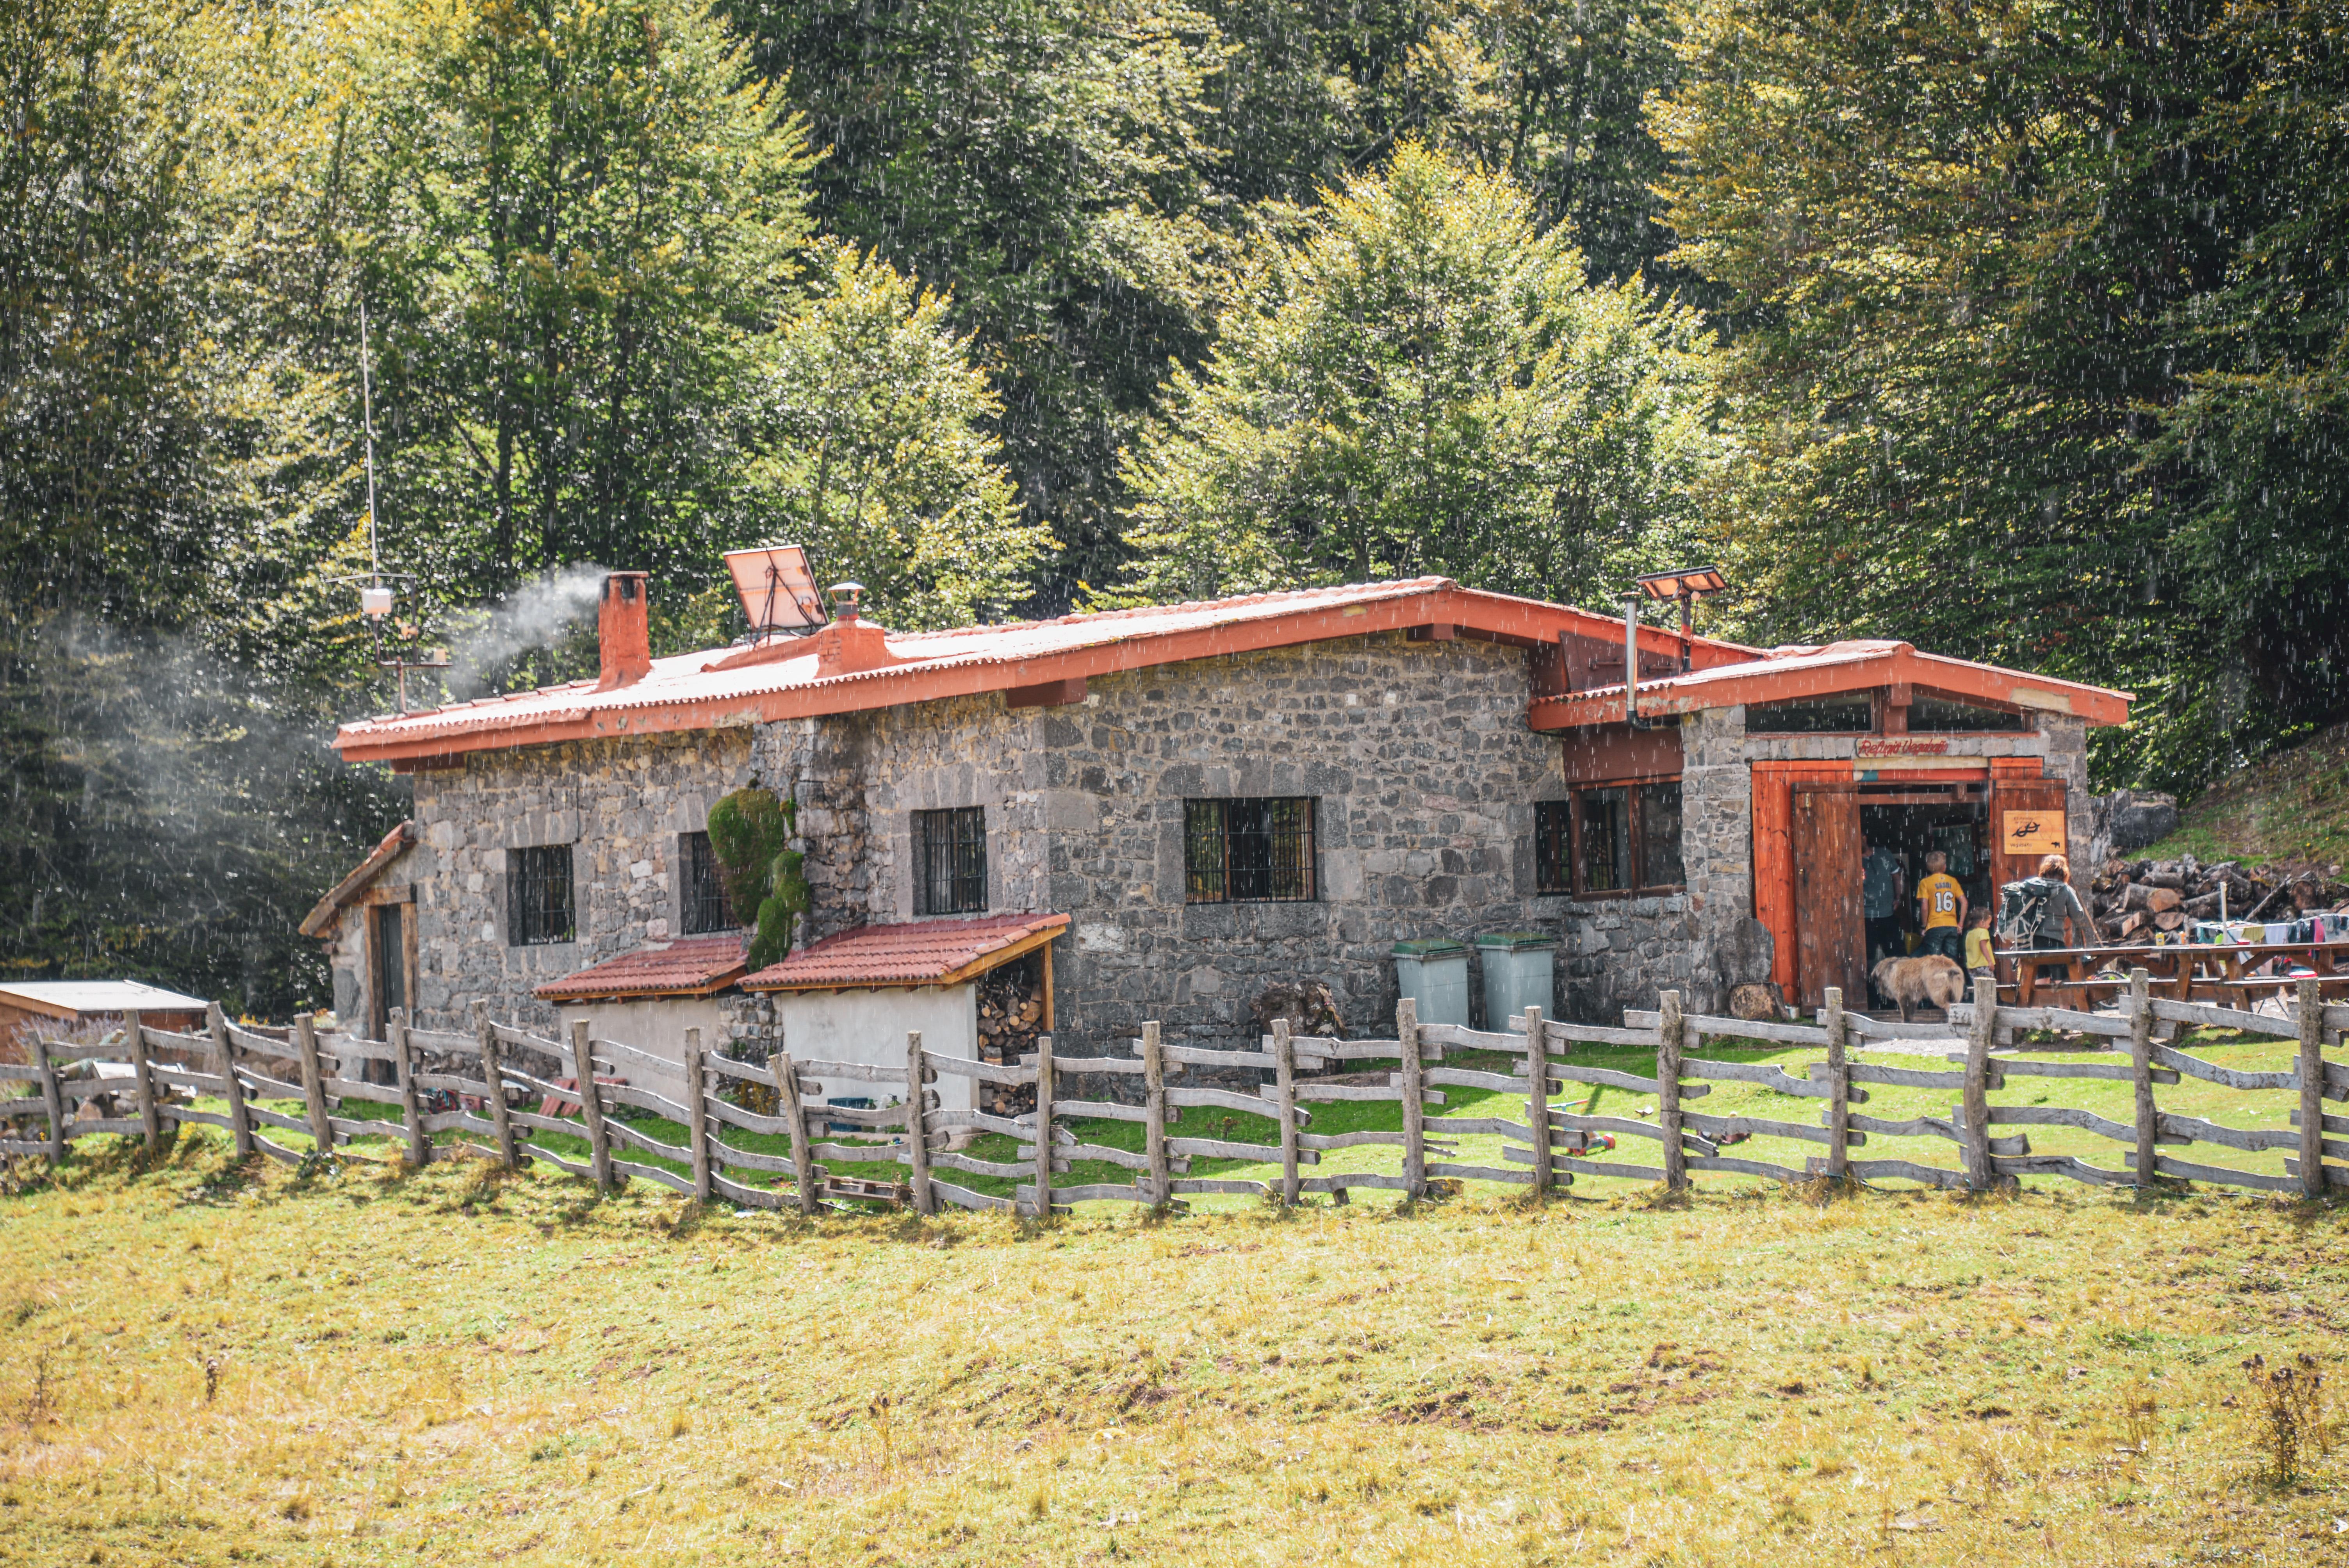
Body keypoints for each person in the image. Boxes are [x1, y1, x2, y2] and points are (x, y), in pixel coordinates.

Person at [1914, 850, 1968, 962]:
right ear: (1944, 867)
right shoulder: (1953, 881)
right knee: (1951, 962)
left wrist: (1924, 926)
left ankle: (1936, 980)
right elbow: (1964, 902)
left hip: (1934, 926)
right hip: (1951, 925)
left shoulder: (1925, 882)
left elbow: (1924, 907)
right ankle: (1951, 980)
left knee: (1935, 961)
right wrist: (1961, 924)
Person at [1862, 840, 1905, 966]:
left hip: (1888, 913)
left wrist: (1899, 897)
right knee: (1867, 956)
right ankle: (1870, 984)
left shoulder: (1884, 854)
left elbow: (1896, 875)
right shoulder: (1851, 858)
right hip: (1866, 916)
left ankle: (1899, 983)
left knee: (1897, 954)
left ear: (1865, 838)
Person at [1963, 905, 1996, 988]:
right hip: (1984, 965)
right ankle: (1989, 1001)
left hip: (1972, 967)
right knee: (1989, 988)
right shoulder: (1983, 932)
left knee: (1979, 989)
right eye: (1989, 924)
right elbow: (1983, 946)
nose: (1989, 927)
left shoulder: (1969, 934)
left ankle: (1980, 1001)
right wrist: (1990, 961)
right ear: (1982, 922)